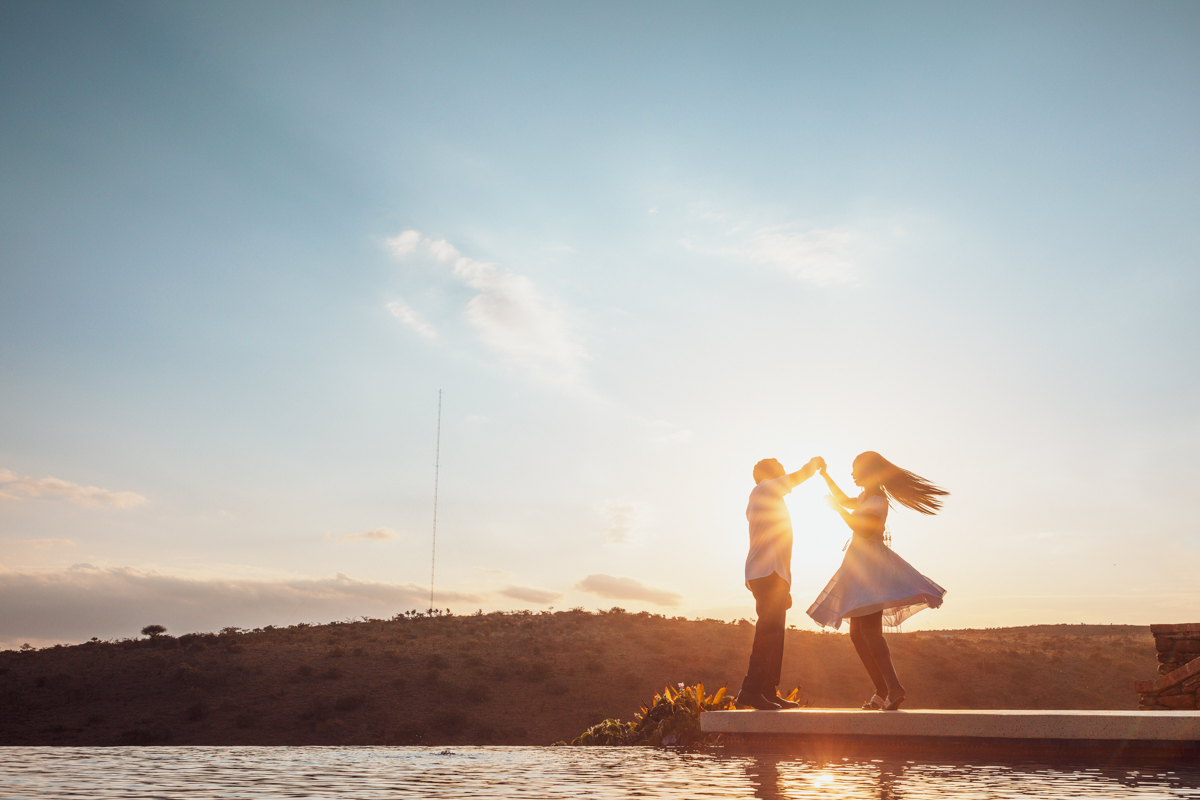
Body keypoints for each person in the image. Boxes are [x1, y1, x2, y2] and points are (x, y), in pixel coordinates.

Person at [807, 451, 947, 711]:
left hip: (871, 569)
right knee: (857, 635)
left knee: (869, 632)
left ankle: (893, 688)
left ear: (868, 471)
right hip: (858, 567)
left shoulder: (878, 500)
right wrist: (825, 475)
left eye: (855, 468)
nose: (851, 473)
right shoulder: (865, 497)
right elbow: (843, 499)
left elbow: (863, 529)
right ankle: (883, 690)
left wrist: (837, 510)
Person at [736, 455, 824, 711]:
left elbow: (781, 545)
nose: (784, 475)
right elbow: (794, 479)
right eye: (780, 471)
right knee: (767, 631)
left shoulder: (773, 500)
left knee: (775, 634)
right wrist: (812, 466)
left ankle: (766, 690)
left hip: (774, 574)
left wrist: (785, 583)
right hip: (765, 573)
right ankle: (750, 691)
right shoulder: (762, 489)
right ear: (769, 475)